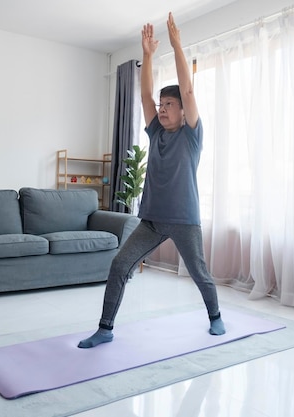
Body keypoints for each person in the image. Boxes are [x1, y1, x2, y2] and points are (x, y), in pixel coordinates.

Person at [78, 12, 225, 349]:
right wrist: (146, 55)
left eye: (170, 104)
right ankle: (105, 328)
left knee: (199, 272)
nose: (162, 108)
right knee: (119, 264)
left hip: (184, 220)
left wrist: (175, 46)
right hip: (152, 220)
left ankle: (215, 317)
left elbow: (187, 88)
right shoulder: (157, 131)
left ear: (184, 111)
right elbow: (144, 98)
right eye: (162, 104)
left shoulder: (192, 136)